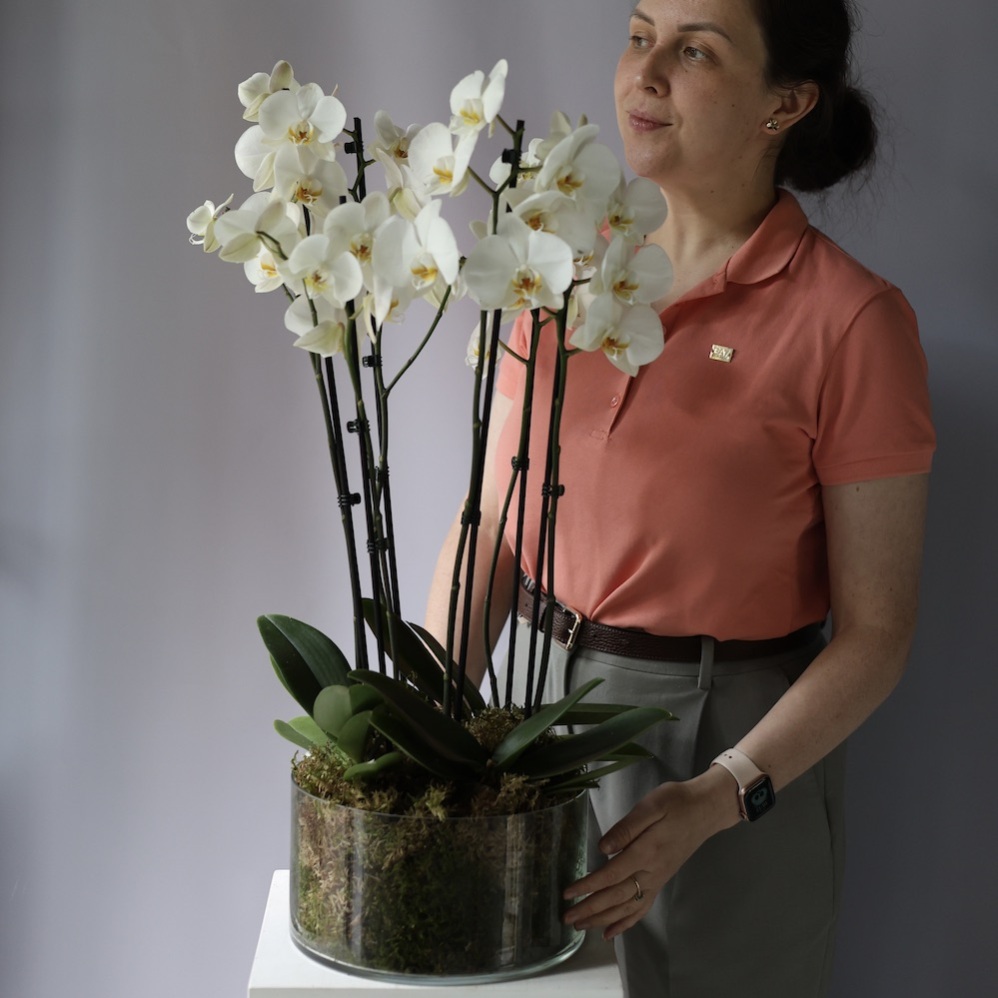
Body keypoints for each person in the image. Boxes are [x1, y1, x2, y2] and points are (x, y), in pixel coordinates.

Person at [425, 1, 935, 995]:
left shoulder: (850, 322)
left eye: (694, 50)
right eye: (638, 34)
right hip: (526, 724)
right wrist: (429, 735)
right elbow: (491, 526)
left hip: (726, 754)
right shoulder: (555, 264)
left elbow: (877, 633)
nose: (645, 71)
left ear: (784, 104)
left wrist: (718, 795)